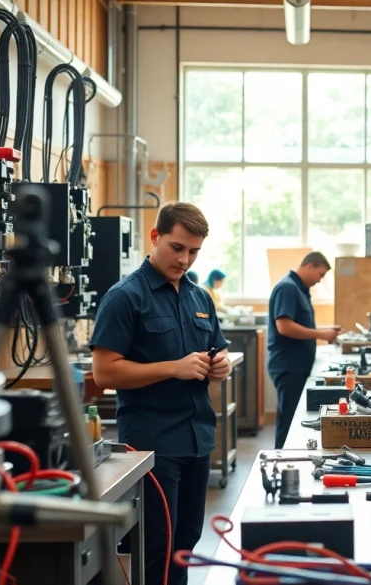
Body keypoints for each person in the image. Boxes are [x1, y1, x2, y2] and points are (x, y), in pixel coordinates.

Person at [90, 202, 231, 585]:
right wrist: (174, 367)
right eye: (177, 248)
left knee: (186, 543)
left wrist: (221, 366)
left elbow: (218, 350)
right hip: (154, 444)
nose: (185, 259)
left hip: (198, 438)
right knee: (159, 547)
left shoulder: (199, 298)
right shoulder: (124, 297)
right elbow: (103, 372)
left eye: (194, 251)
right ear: (155, 237)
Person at [267, 252, 342, 449]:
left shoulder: (299, 289)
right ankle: (283, 461)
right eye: (321, 274)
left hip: (296, 364)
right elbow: (284, 327)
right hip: (289, 365)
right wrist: (320, 334)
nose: (320, 280)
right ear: (310, 266)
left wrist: (324, 331)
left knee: (291, 416)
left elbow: (299, 324)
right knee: (290, 419)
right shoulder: (288, 288)